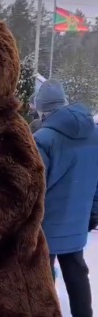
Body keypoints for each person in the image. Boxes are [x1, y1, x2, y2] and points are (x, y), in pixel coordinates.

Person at [33, 79, 98, 317]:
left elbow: (35, 187)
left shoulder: (43, 139)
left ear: (42, 108)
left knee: (43, 275)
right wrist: (93, 214)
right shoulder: (95, 134)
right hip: (78, 224)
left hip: (47, 226)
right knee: (76, 272)